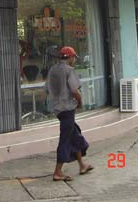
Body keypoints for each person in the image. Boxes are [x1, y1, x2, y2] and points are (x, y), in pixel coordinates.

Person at [46, 46, 94, 182]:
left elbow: (47, 88)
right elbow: (74, 90)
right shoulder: (69, 70)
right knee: (65, 139)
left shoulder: (53, 69)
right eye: (74, 58)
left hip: (58, 109)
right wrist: (80, 102)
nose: (74, 60)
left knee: (74, 134)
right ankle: (58, 172)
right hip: (67, 109)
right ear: (70, 57)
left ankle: (82, 165)